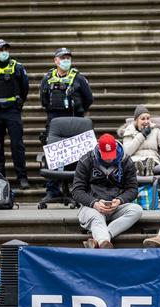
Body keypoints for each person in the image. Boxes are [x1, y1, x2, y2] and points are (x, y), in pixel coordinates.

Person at [40, 47, 94, 201]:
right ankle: (52, 189)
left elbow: (89, 99)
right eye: (62, 58)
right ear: (55, 61)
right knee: (53, 154)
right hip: (54, 121)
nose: (66, 61)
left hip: (74, 120)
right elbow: (43, 100)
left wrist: (78, 111)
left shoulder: (78, 78)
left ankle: (76, 188)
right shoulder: (48, 78)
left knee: (77, 155)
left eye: (68, 58)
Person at [71, 133, 142, 249]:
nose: (109, 158)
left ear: (116, 148)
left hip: (115, 207)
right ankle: (104, 243)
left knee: (137, 210)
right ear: (99, 150)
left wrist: (120, 200)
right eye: (105, 154)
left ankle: (100, 239)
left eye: (111, 154)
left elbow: (133, 189)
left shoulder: (126, 161)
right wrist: (94, 203)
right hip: (92, 207)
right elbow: (77, 191)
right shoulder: (86, 160)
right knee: (96, 218)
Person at [0, 39, 29, 189]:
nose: (4, 52)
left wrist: (18, 103)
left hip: (12, 111)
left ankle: (22, 177)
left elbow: (25, 88)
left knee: (17, 146)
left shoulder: (17, 67)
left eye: (6, 49)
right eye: (0, 49)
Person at [122, 105, 160, 175]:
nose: (146, 121)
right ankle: (143, 170)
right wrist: (142, 135)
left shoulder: (155, 130)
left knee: (150, 162)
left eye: (148, 118)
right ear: (136, 121)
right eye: (143, 119)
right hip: (135, 160)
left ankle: (146, 170)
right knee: (136, 164)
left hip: (152, 159)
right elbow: (127, 152)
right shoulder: (129, 131)